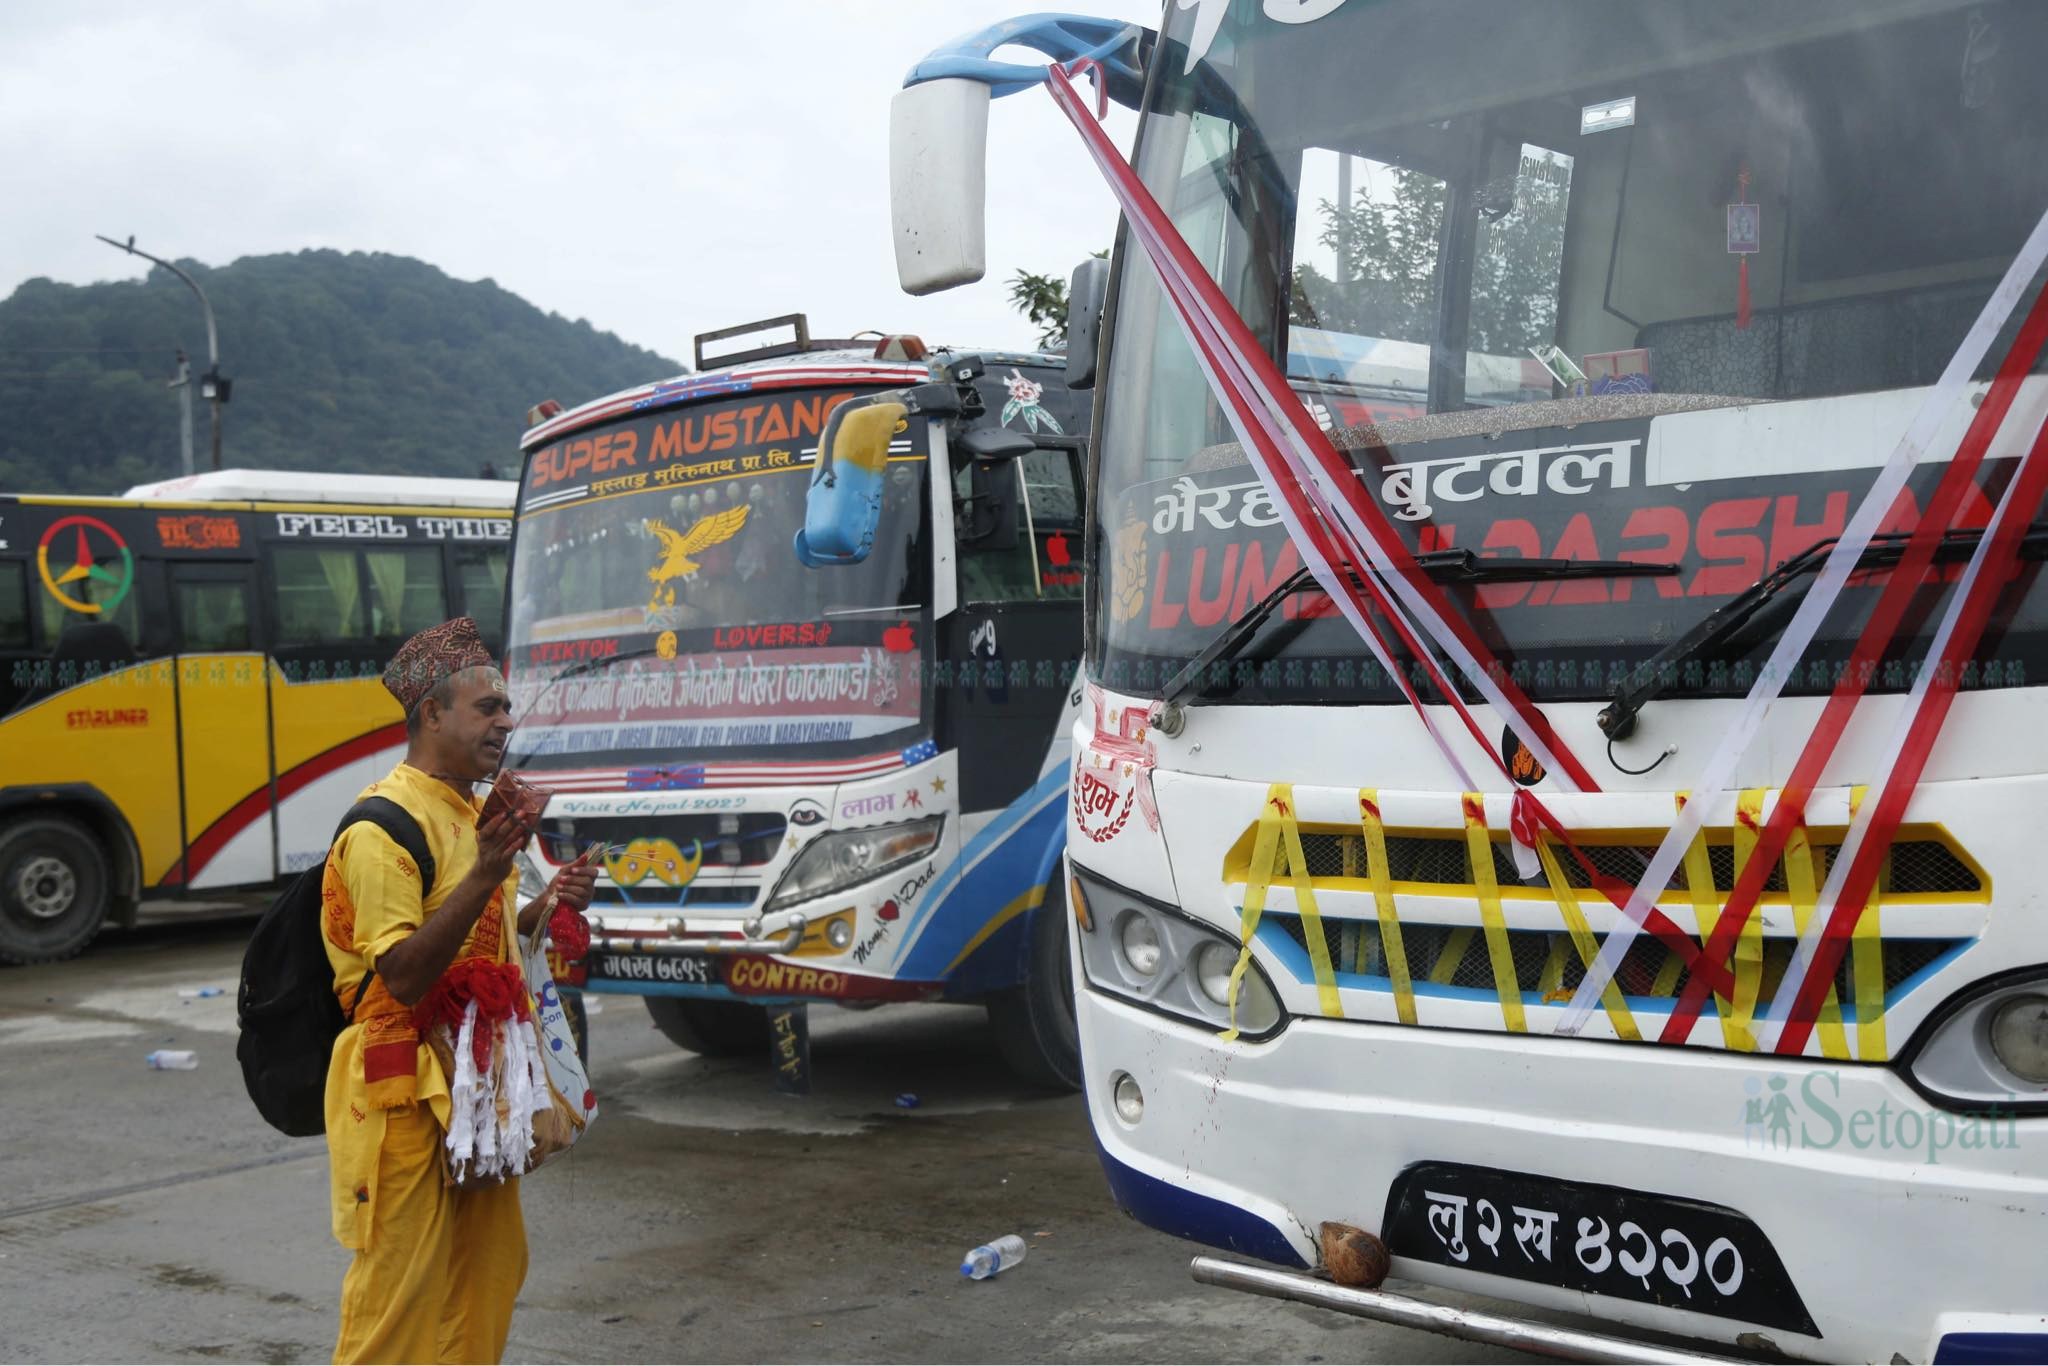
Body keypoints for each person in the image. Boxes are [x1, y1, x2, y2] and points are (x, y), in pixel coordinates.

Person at [320, 616, 595, 1364]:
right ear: (431, 714)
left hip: (477, 1093)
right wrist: (484, 873)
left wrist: (547, 903)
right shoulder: (381, 826)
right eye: (488, 708)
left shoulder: (472, 813)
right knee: (398, 1294)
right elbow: (404, 976)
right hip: (401, 1088)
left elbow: (488, 943)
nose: (507, 721)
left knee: (488, 1277)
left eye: (508, 707)